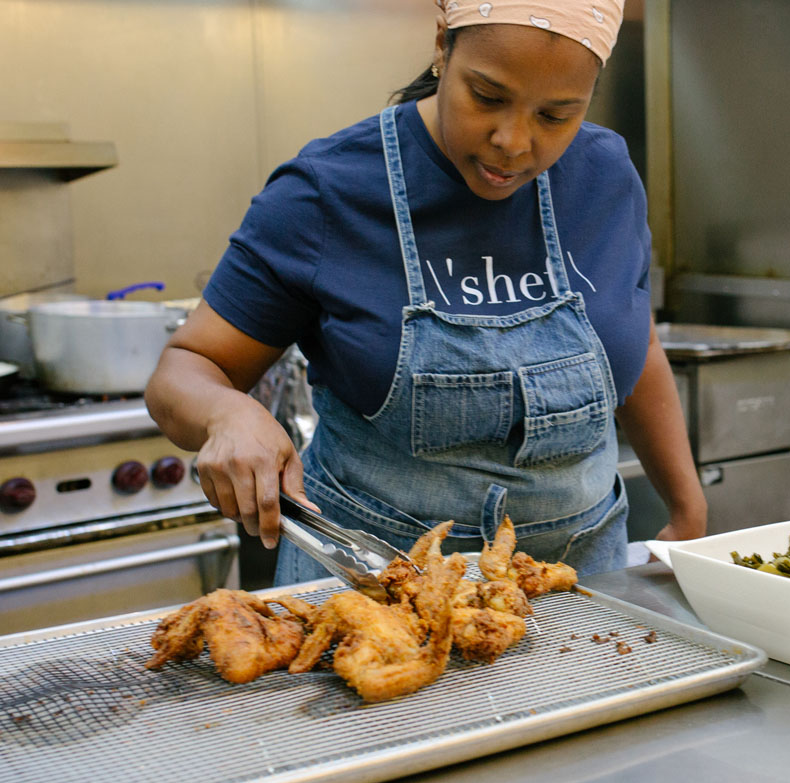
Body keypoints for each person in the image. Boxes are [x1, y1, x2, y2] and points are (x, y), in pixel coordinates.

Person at [145, 0, 706, 585]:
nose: (513, 142)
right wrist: (227, 412)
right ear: (443, 46)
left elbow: (633, 346)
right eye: (487, 97)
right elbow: (184, 370)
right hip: (372, 591)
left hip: (580, 587)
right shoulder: (327, 191)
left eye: (556, 115)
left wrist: (688, 508)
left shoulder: (605, 176)